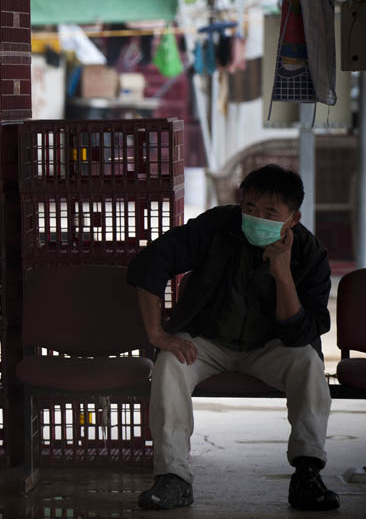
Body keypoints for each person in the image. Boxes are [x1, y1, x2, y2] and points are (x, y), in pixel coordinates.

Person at [127, 164, 339, 511]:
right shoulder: (216, 226)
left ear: (293, 219)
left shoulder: (309, 253)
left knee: (309, 364)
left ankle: (307, 473)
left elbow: (302, 332)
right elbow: (150, 263)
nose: (256, 217)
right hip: (207, 341)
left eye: (270, 213)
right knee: (169, 365)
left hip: (272, 348)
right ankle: (173, 478)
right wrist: (158, 334)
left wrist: (283, 274)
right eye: (250, 208)